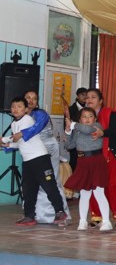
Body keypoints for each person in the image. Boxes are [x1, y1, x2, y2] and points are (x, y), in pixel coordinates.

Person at [2, 97, 68, 227]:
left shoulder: (27, 120)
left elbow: (17, 137)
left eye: (19, 106)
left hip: (40, 159)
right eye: (13, 106)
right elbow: (19, 143)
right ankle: (29, 216)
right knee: (28, 189)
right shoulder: (14, 124)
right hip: (28, 162)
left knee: (49, 186)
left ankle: (60, 211)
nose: (15, 109)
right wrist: (7, 145)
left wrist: (4, 139)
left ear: (26, 110)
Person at [63, 107, 113, 232]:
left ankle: (106, 222)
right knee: (84, 194)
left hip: (96, 161)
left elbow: (87, 129)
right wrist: (68, 131)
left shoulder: (96, 126)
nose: (87, 119)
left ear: (95, 118)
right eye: (84, 117)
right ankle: (82, 221)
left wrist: (74, 124)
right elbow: (69, 145)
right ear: (80, 119)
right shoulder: (78, 130)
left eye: (90, 116)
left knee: (99, 192)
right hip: (83, 162)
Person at [86, 89, 116, 229]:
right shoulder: (84, 117)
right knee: (94, 186)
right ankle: (96, 216)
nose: (89, 100)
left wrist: (102, 133)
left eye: (93, 97)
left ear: (100, 101)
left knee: (115, 186)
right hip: (95, 155)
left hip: (115, 154)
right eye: (87, 97)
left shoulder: (110, 113)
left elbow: (115, 130)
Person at [66, 87, 89, 171]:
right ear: (77, 96)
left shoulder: (89, 108)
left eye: (86, 95)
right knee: (74, 162)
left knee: (85, 163)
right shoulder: (70, 109)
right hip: (74, 140)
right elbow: (67, 125)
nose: (85, 97)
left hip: (87, 140)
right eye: (82, 95)